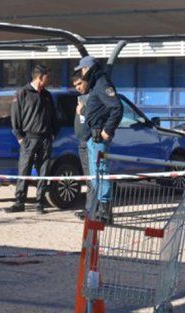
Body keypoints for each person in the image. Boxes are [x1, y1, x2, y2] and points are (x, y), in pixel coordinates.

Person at [74, 56, 123, 222]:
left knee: (101, 173)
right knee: (96, 175)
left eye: (82, 69)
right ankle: (98, 210)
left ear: (88, 68)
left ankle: (105, 213)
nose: (81, 72)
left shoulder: (102, 83)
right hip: (92, 137)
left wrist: (108, 129)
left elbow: (117, 107)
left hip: (98, 137)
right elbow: (97, 109)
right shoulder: (96, 83)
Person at [6, 64, 59, 214]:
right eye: (47, 76)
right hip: (29, 139)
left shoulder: (47, 95)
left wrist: (53, 134)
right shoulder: (23, 93)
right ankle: (19, 202)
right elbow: (15, 116)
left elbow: (54, 117)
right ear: (40, 77)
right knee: (24, 170)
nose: (49, 79)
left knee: (43, 172)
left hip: (45, 139)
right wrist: (20, 138)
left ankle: (40, 203)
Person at [71, 70, 92, 220]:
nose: (77, 87)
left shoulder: (93, 97)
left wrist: (83, 110)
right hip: (82, 142)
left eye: (79, 83)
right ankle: (90, 209)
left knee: (94, 179)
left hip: (91, 142)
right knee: (89, 179)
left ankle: (93, 211)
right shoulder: (81, 98)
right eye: (75, 85)